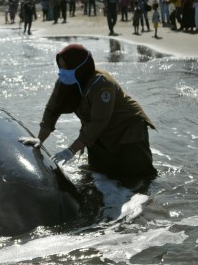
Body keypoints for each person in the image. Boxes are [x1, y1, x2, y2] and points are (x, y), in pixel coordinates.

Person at [19, 44, 158, 180]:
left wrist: (71, 150)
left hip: (127, 131)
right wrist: (40, 138)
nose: (62, 71)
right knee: (101, 176)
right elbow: (52, 109)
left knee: (139, 178)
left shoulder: (101, 83)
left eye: (67, 67)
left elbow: (99, 122)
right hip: (97, 134)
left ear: (80, 67)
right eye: (60, 66)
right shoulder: (65, 81)